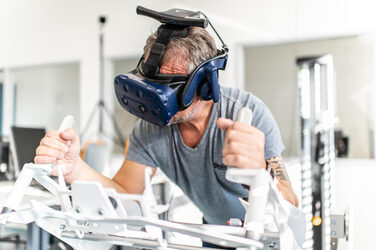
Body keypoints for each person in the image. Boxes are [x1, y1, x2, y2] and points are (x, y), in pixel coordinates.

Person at [35, 26, 298, 233]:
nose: (155, 97)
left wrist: (261, 176)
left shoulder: (247, 113)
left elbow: (291, 205)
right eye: (152, 82)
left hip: (262, 237)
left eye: (170, 84)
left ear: (206, 85)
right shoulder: (150, 130)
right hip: (216, 234)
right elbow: (126, 194)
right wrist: (74, 167)